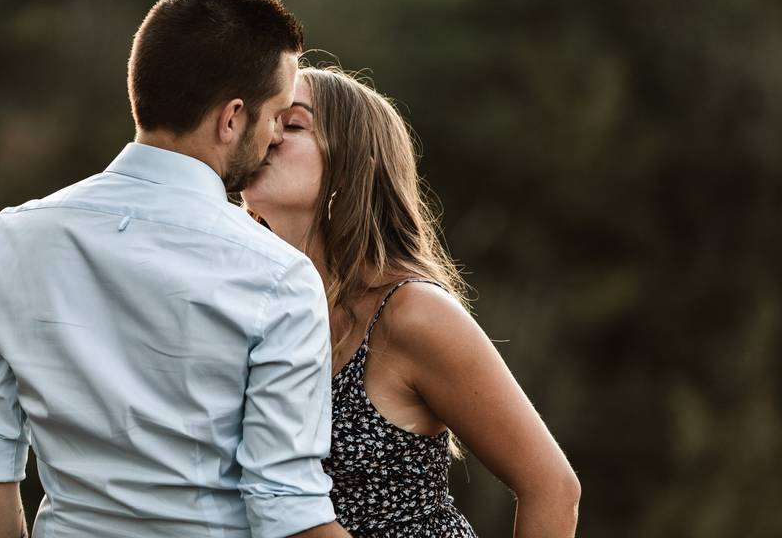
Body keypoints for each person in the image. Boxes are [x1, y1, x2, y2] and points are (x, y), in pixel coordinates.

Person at [0, 0, 351, 538]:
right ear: (232, 118)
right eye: (276, 118)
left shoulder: (9, 244)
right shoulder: (277, 276)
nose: (272, 140)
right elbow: (285, 506)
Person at [242, 66, 582, 537]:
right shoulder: (258, 306)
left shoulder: (411, 313)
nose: (268, 136)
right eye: (267, 120)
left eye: (293, 124)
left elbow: (552, 487)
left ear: (355, 164)